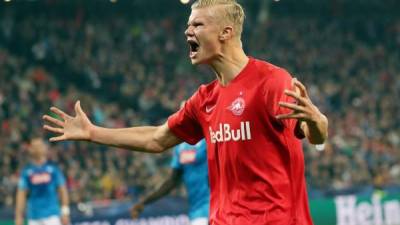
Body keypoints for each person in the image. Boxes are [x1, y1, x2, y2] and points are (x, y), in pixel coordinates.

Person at [43, 0, 328, 224]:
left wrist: (318, 121)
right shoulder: (204, 99)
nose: (187, 31)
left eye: (197, 24)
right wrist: (93, 132)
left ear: (225, 32)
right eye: (188, 25)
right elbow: (156, 139)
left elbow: (313, 135)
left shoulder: (271, 81)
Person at [131, 139, 209, 225]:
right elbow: (171, 182)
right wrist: (144, 202)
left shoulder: (208, 139)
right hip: (197, 211)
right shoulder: (180, 147)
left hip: (215, 206)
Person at [15, 137, 70, 225]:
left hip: (52, 215)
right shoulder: (26, 172)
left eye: (39, 146)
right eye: (34, 146)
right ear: (30, 149)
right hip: (34, 217)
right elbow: (21, 194)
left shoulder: (53, 169)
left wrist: (65, 212)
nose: (36, 148)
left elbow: (63, 191)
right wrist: (18, 216)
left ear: (44, 148)